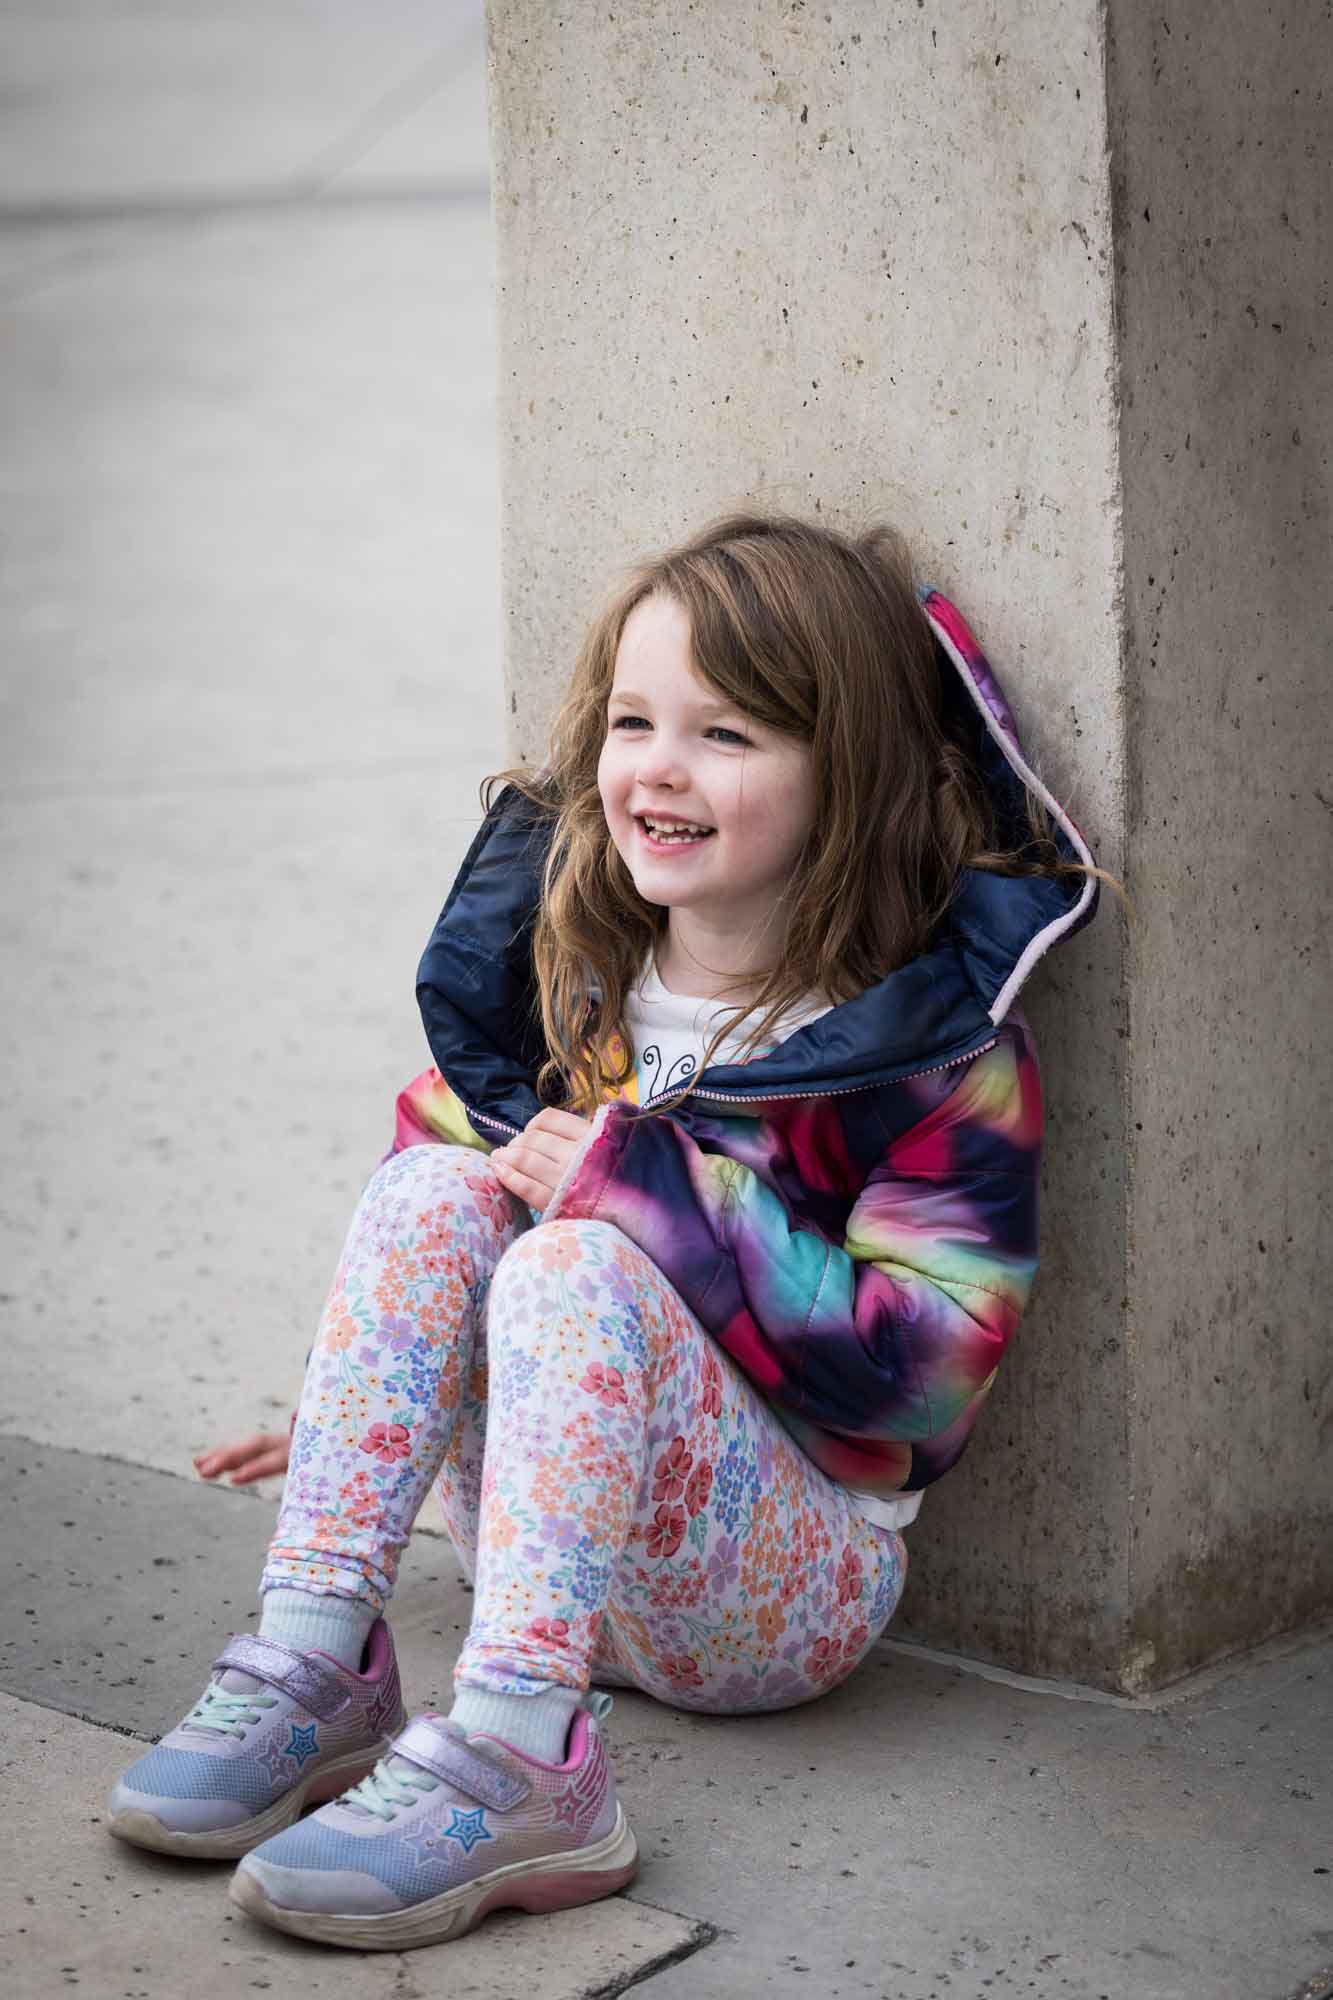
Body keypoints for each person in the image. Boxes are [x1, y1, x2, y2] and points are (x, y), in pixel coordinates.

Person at [107, 510, 1123, 1952]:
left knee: (583, 1249)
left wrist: (649, 1192)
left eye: (726, 735)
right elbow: (431, 1229)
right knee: (432, 1187)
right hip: (540, 1543)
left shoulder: (934, 1053)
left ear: (852, 773)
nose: (657, 764)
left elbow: (923, 1379)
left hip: (781, 1587)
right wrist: (351, 1412)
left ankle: (528, 1764)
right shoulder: (577, 972)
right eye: (634, 719)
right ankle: (316, 1658)